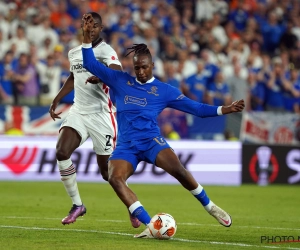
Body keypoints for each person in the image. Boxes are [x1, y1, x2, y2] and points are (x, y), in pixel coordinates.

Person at [81, 14, 245, 238]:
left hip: (151, 141)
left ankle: (211, 207)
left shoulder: (164, 90)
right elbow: (89, 63)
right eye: (137, 68)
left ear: (152, 66)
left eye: (144, 68)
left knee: (179, 170)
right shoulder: (120, 80)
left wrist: (222, 109)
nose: (140, 72)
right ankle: (150, 225)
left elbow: (195, 108)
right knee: (114, 178)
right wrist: (86, 38)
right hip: (127, 145)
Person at [49, 12, 141, 228]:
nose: (90, 28)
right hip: (79, 111)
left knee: (107, 173)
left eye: (94, 25)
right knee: (62, 152)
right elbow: (73, 78)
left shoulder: (105, 51)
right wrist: (57, 99)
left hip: (102, 115)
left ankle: (132, 205)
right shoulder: (74, 53)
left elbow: (117, 72)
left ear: (100, 29)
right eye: (86, 24)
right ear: (82, 27)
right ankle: (77, 205)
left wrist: (101, 76)